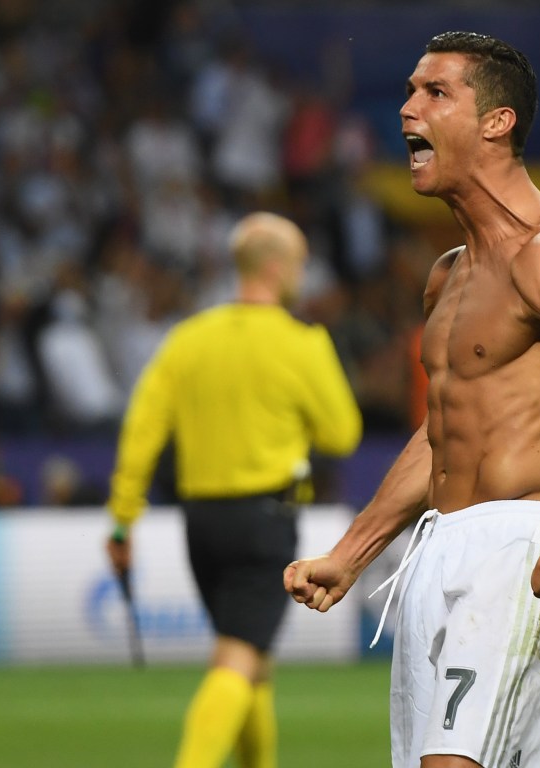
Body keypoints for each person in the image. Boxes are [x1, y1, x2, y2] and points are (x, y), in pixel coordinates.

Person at [284, 31, 540, 768]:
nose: (405, 110)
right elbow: (441, 433)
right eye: (409, 91)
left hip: (521, 548)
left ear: (497, 122)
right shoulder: (448, 275)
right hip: (438, 547)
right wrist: (353, 553)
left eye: (434, 93)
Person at [105, 211, 362, 768]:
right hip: (265, 521)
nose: (304, 273)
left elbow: (142, 430)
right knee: (237, 658)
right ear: (275, 267)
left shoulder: (188, 339)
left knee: (251, 661)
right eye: (299, 262)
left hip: (200, 523)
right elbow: (342, 433)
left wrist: (123, 520)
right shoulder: (301, 343)